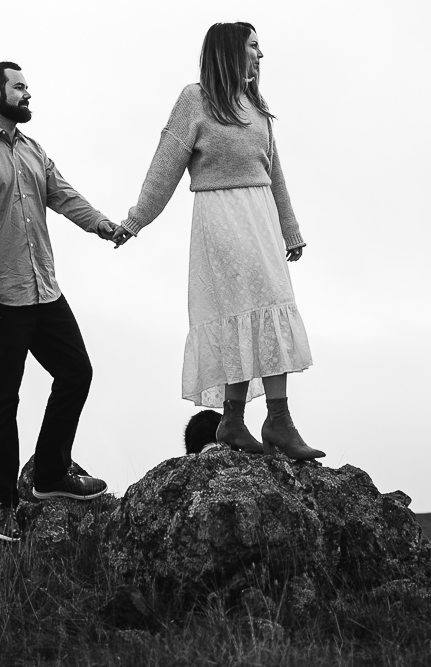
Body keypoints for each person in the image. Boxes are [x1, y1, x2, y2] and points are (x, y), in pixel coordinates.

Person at [112, 23, 323, 460]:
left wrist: (290, 228)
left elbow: (274, 172)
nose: (261, 55)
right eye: (253, 46)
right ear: (230, 51)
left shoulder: (258, 108)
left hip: (260, 218)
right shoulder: (196, 100)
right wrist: (136, 221)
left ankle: (257, 420)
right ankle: (253, 419)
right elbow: (165, 163)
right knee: (241, 311)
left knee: (268, 306)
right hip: (220, 220)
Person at [0, 61, 118, 542]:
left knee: (76, 372)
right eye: (20, 87)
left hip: (45, 291)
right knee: (4, 398)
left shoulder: (33, 150)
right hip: (2, 298)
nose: (28, 95)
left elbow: (63, 196)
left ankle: (49, 476)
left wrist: (104, 225)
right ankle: (2, 504)